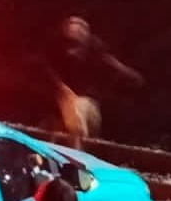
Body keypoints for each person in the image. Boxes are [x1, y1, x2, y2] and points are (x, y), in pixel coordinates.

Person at [44, 16, 143, 150]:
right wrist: (60, 87)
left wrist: (129, 74)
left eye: (76, 42)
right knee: (67, 117)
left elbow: (117, 67)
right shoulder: (56, 56)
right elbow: (44, 71)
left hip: (88, 107)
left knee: (79, 108)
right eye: (69, 42)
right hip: (63, 107)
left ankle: (77, 158)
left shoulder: (96, 53)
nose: (71, 50)